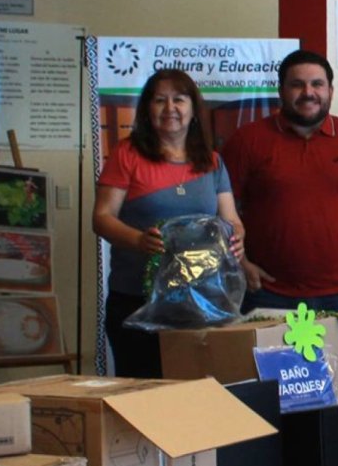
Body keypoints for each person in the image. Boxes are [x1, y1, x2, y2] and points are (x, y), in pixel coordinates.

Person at [221, 49, 338, 321]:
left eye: (317, 84)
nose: (308, 92)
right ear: (281, 91)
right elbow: (222, 211)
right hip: (267, 291)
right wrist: (240, 263)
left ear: (330, 91)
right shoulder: (247, 141)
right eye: (297, 84)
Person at [92, 69, 244, 378]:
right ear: (147, 109)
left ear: (193, 109)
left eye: (179, 99)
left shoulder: (212, 161)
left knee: (195, 395)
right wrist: (138, 240)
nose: (170, 108)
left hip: (202, 302)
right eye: (160, 100)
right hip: (136, 301)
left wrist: (237, 237)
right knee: (142, 395)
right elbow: (102, 218)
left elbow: (231, 220)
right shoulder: (127, 154)